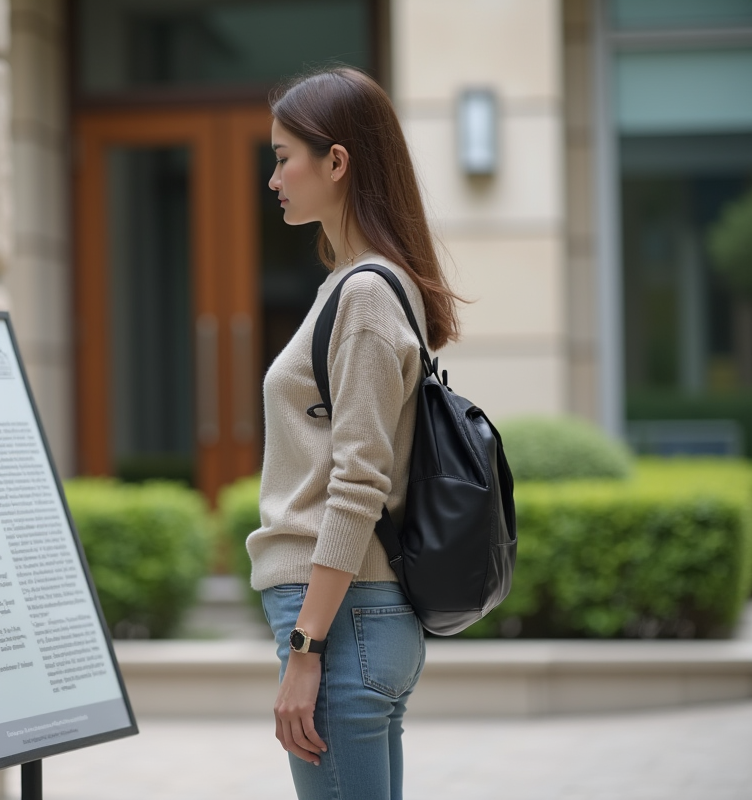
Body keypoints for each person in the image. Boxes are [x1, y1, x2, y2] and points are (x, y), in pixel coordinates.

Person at [248, 67, 463, 800]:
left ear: (337, 162)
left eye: (283, 157)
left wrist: (306, 649)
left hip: (341, 618)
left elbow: (358, 480)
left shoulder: (366, 295)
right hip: (364, 615)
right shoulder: (367, 287)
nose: (272, 177)